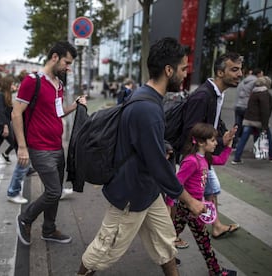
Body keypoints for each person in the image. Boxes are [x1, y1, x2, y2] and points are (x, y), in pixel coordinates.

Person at [77, 37, 205, 276]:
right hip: (131, 194)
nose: (185, 74)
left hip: (148, 190)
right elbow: (157, 164)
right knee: (103, 251)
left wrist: (162, 144)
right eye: (183, 68)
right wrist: (190, 200)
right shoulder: (147, 107)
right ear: (169, 70)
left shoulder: (146, 98)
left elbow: (143, 143)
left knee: (165, 243)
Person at [13, 41, 87, 246]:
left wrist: (75, 105)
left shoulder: (59, 84)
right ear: (54, 57)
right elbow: (16, 113)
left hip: (56, 146)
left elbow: (58, 111)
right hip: (39, 147)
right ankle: (25, 218)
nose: (68, 67)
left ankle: (49, 229)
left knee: (53, 191)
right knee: (54, 191)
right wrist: (21, 146)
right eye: (66, 62)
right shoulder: (32, 81)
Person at [180, 52, 242, 239]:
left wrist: (223, 137)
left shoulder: (215, 94)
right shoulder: (203, 95)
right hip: (195, 155)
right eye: (234, 69)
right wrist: (204, 150)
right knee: (183, 198)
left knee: (210, 191)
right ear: (220, 73)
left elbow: (213, 121)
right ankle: (172, 234)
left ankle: (215, 226)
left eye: (240, 70)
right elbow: (191, 129)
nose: (240, 74)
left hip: (203, 153)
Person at [174, 123, 237, 276]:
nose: (216, 143)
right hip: (192, 207)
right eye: (213, 140)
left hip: (191, 206)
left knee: (172, 233)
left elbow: (221, 160)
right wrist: (170, 204)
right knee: (204, 242)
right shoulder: (191, 161)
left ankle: (165, 256)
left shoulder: (205, 158)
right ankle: (216, 271)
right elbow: (175, 184)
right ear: (201, 142)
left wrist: (228, 146)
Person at [232, 76, 272, 164]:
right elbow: (265, 110)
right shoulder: (264, 93)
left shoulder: (254, 92)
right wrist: (265, 125)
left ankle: (236, 158)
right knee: (268, 137)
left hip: (249, 119)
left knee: (243, 139)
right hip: (258, 121)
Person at [233, 68, 263, 148]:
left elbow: (238, 93)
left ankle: (234, 144)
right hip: (247, 107)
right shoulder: (256, 82)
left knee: (237, 126)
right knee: (252, 128)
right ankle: (256, 148)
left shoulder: (243, 81)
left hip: (238, 106)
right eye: (261, 74)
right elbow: (256, 95)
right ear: (258, 74)